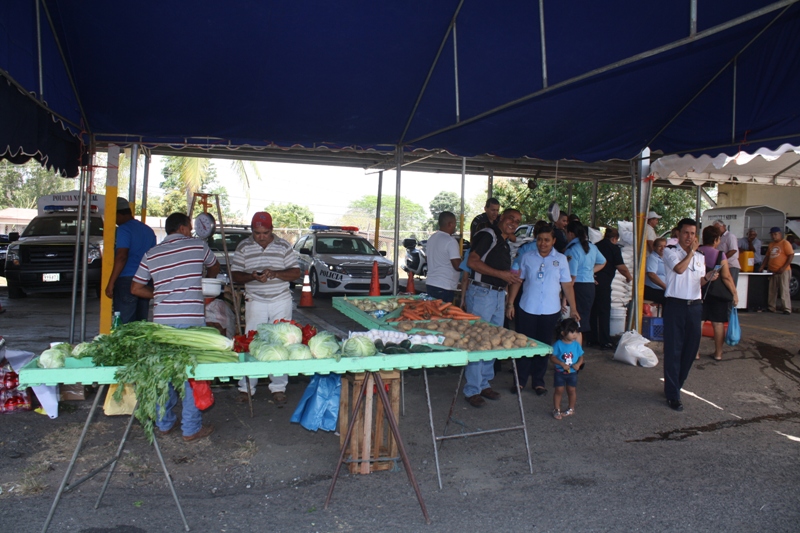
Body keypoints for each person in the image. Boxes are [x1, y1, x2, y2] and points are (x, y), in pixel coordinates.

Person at [131, 212, 220, 441]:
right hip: (191, 320)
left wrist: (160, 294)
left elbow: (136, 288)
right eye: (189, 227)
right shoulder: (198, 246)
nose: (191, 232)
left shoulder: (151, 253)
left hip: (162, 324)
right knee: (192, 375)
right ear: (182, 228)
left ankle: (164, 423)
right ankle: (190, 429)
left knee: (164, 373)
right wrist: (203, 283)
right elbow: (214, 267)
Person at [231, 212, 301, 405]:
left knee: (281, 342)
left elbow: (295, 272)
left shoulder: (283, 246)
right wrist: (252, 277)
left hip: (281, 299)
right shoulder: (244, 247)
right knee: (252, 341)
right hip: (255, 300)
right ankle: (246, 387)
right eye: (257, 233)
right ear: (252, 230)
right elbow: (235, 275)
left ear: (272, 229)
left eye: (265, 232)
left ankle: (278, 387)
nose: (261, 237)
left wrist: (276, 273)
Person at [506, 224, 578, 396]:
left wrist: (573, 308)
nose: (543, 243)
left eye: (547, 240)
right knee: (524, 345)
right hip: (527, 308)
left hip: (550, 310)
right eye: (539, 239)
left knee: (543, 346)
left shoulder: (561, 259)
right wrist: (510, 303)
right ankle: (520, 381)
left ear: (553, 241)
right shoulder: (527, 257)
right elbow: (517, 281)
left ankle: (538, 382)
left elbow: (567, 285)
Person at [462, 208, 522, 407]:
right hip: (482, 294)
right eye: (511, 218)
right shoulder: (488, 235)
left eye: (518, 221)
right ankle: (472, 389)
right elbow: (472, 262)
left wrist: (508, 280)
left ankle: (484, 383)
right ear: (501, 217)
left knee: (493, 341)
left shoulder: (504, 242)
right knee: (478, 340)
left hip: (497, 295)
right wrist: (502, 275)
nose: (514, 223)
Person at [662, 218, 718, 412]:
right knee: (673, 349)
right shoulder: (670, 251)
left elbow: (698, 281)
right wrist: (691, 253)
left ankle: (676, 386)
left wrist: (708, 278)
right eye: (686, 233)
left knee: (690, 349)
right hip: (675, 305)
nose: (689, 237)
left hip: (694, 306)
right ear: (678, 233)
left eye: (693, 234)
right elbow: (679, 269)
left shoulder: (701, 256)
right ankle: (673, 394)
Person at [104, 197, 156, 324]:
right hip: (145, 281)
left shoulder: (123, 229)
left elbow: (122, 256)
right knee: (141, 324)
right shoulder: (148, 230)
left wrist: (111, 283)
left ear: (118, 214)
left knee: (125, 323)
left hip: (127, 281)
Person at [698, 226, 739, 361]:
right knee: (718, 323)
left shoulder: (697, 252)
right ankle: (718, 353)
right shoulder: (720, 255)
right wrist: (734, 293)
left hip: (699, 291)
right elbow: (726, 276)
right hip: (717, 294)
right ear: (716, 239)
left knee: (699, 322)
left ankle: (695, 352)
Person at [564, 221, 606, 346]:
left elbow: (571, 277)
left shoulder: (572, 250)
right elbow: (603, 262)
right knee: (580, 321)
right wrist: (589, 272)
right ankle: (577, 351)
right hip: (589, 286)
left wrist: (564, 297)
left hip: (576, 287)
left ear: (571, 234)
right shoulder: (592, 247)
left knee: (574, 322)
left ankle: (574, 351)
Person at [591, 227, 632, 349]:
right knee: (604, 311)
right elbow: (621, 267)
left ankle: (592, 339)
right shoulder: (613, 248)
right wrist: (629, 277)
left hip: (592, 280)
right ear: (614, 238)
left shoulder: (595, 246)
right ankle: (604, 341)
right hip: (604, 283)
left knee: (593, 311)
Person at [549, 318, 584, 420]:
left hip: (572, 373)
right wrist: (561, 363)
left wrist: (578, 364)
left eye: (576, 332)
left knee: (572, 390)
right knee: (559, 390)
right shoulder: (558, 344)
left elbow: (581, 356)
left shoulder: (576, 345)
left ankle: (571, 408)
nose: (575, 334)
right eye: (572, 332)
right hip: (560, 372)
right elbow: (552, 357)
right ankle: (556, 409)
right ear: (563, 333)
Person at [425, 211, 462, 303]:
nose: (455, 226)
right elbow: (457, 266)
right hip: (444, 286)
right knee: (443, 311)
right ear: (450, 224)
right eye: (455, 223)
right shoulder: (450, 241)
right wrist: (468, 263)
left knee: (432, 310)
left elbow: (427, 258)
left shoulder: (431, 238)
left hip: (430, 283)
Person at [760, 226, 793, 315]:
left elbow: (790, 255)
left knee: (784, 289)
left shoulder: (785, 243)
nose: (773, 236)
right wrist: (763, 266)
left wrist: (783, 267)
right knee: (772, 290)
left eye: (775, 234)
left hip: (784, 270)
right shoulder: (771, 244)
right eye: (772, 235)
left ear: (780, 234)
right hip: (773, 270)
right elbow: (767, 256)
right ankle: (771, 307)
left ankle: (786, 308)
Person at [714, 220, 740, 284]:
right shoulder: (718, 237)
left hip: (731, 265)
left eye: (718, 228)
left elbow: (733, 250)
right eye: (715, 229)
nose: (716, 230)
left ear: (724, 226)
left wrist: (722, 259)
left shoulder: (730, 236)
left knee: (731, 285)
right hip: (721, 265)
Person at [644, 237, 667, 304]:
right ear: (654, 247)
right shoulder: (652, 258)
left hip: (663, 289)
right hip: (653, 290)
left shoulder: (665, 258)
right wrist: (665, 287)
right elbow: (651, 275)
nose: (662, 248)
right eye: (660, 246)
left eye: (664, 246)